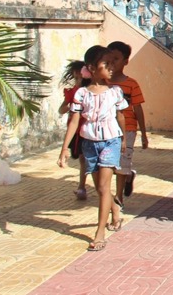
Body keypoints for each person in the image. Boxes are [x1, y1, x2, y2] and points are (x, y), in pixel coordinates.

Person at [57, 45, 127, 251]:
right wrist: (63, 149)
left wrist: (124, 140)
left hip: (110, 141)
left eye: (113, 64)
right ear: (92, 68)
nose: (111, 68)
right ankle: (115, 211)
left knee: (104, 187)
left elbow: (120, 116)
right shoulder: (81, 94)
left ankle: (100, 233)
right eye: (107, 64)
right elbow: (74, 120)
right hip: (89, 142)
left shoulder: (115, 92)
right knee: (100, 188)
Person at [106, 41, 148, 208]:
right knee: (111, 163)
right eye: (109, 59)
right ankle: (127, 177)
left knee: (123, 162)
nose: (112, 63)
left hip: (128, 129)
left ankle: (118, 198)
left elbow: (138, 108)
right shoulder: (102, 83)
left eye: (116, 59)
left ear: (125, 61)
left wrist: (144, 134)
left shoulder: (131, 84)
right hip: (107, 129)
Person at [58, 60, 89, 201]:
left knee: (85, 159)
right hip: (75, 131)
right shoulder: (72, 93)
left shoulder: (91, 91)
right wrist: (70, 106)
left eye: (80, 77)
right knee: (81, 158)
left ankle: (82, 187)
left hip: (88, 130)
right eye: (75, 78)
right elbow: (61, 109)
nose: (77, 81)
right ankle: (82, 186)